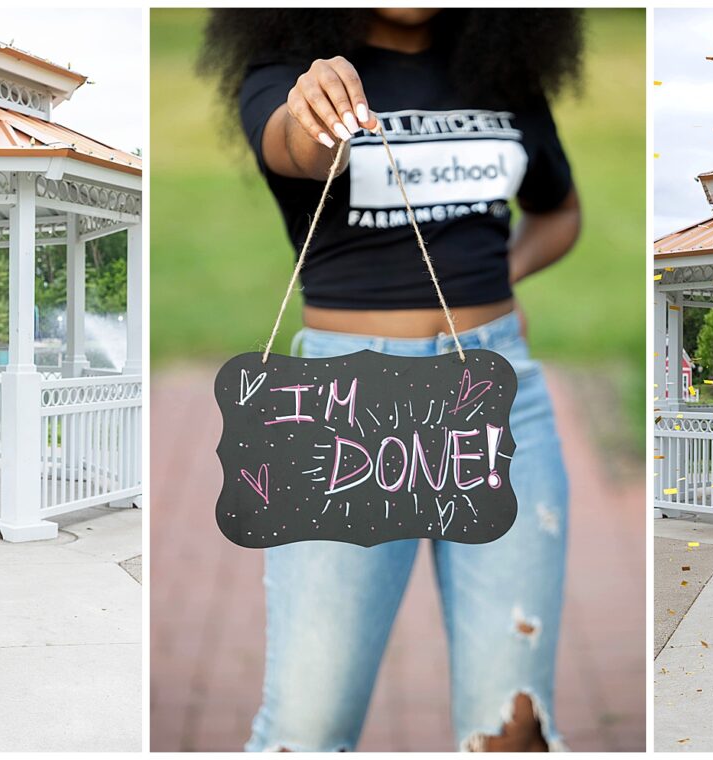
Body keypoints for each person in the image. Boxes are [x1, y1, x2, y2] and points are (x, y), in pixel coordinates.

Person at [202, 7, 585, 751]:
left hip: (496, 394)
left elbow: (558, 211)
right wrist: (318, 115)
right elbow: (298, 147)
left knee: (515, 729)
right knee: (307, 730)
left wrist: (493, 283)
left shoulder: (505, 79)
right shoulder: (288, 74)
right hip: (345, 407)